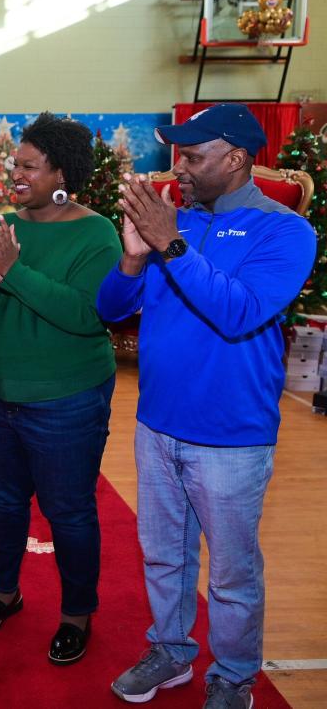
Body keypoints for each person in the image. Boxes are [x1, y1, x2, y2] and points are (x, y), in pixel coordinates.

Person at [98, 104, 316, 709]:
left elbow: (238, 311)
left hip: (232, 437)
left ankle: (233, 677)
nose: (180, 168)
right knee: (163, 555)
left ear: (237, 159)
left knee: (231, 576)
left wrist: (170, 244)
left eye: (194, 156)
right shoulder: (180, 225)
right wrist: (134, 255)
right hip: (156, 425)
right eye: (178, 156)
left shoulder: (285, 232)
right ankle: (170, 650)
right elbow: (113, 309)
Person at [0, 112, 122, 666]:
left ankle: (76, 614)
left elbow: (87, 316)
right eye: (14, 164)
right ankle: (5, 593)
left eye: (29, 166)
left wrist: (14, 273)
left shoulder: (96, 234)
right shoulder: (0, 224)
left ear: (63, 173)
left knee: (68, 511)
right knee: (2, 501)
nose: (15, 174)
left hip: (66, 400)